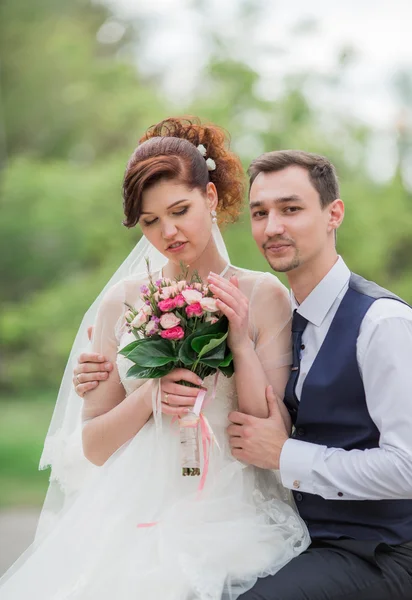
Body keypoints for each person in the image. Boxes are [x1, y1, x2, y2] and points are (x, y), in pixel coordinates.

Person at [76, 148, 412, 599]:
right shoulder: (294, 310)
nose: (273, 226)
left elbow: (407, 466)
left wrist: (284, 453)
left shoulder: (379, 323)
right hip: (221, 517)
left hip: (372, 546)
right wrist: (126, 375)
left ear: (334, 214)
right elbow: (95, 438)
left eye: (291, 209)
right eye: (261, 213)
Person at [0, 119, 309, 600]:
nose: (168, 231)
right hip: (133, 512)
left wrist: (240, 343)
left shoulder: (263, 295)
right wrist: (149, 395)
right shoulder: (120, 303)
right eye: (149, 221)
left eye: (180, 210)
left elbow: (268, 429)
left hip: (233, 509)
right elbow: (95, 446)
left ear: (210, 197)